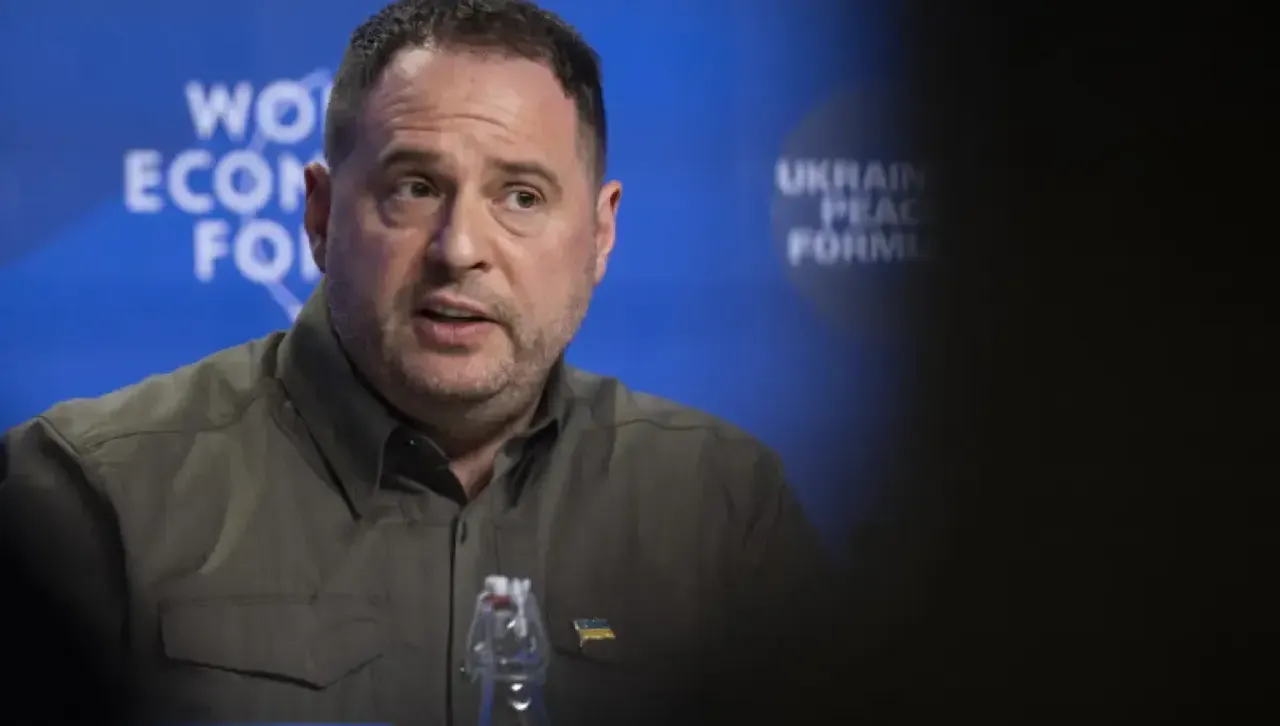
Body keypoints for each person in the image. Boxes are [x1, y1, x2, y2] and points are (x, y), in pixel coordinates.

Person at [0, 1, 829, 724]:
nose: (460, 248)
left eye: (522, 196)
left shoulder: (724, 508)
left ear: (601, 233)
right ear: (321, 216)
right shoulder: (92, 495)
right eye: (415, 187)